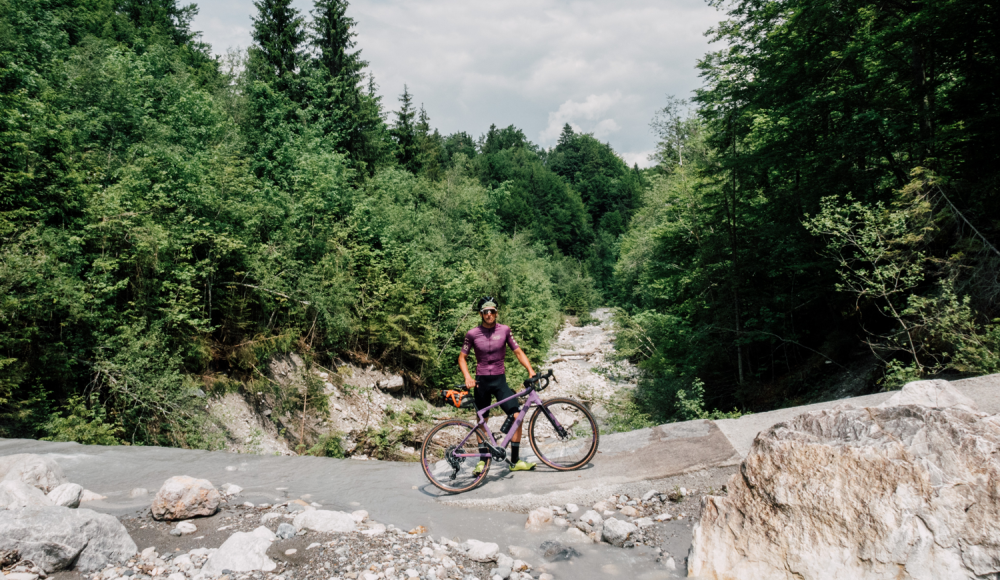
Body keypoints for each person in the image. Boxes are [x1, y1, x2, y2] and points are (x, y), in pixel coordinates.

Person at [458, 296, 537, 473]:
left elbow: (518, 352)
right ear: (481, 314)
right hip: (481, 383)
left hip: (500, 381)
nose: (489, 314)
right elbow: (462, 358)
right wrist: (467, 377)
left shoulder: (505, 330)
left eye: (492, 311)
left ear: (496, 312)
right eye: (486, 312)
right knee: (481, 421)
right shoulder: (472, 334)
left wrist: (530, 370)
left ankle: (515, 462)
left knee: (517, 416)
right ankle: (482, 461)